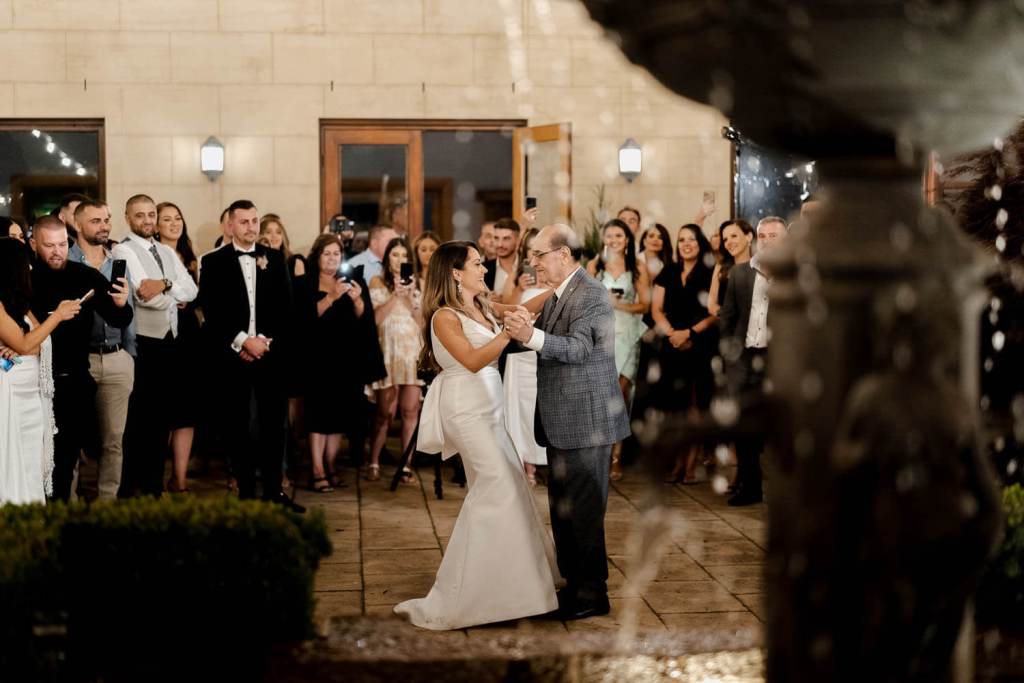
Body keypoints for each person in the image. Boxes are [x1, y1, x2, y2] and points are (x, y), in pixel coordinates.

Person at [394, 240, 560, 630]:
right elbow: (470, 360)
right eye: (475, 263)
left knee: (511, 485)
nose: (483, 267)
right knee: (495, 487)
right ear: (455, 273)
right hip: (465, 409)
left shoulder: (482, 305)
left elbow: (523, 309)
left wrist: (562, 285)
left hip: (491, 405)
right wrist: (508, 332)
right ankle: (471, 593)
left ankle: (512, 587)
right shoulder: (442, 317)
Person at [504, 223, 631, 620]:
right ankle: (574, 585)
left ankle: (593, 595)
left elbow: (577, 348)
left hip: (587, 419)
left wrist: (529, 337)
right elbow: (536, 335)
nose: (534, 263)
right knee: (563, 510)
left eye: (539, 256)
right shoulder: (561, 293)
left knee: (584, 513)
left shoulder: (591, 293)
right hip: (563, 419)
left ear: (562, 254)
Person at [198, 199, 303, 512]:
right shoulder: (213, 262)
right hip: (233, 357)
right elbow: (213, 311)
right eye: (244, 221)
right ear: (230, 225)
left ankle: (274, 490)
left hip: (270, 355)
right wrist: (243, 341)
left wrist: (264, 343)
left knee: (275, 424)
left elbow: (286, 308)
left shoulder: (273, 258)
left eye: (255, 221)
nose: (251, 227)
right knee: (238, 425)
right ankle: (245, 490)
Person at [30, 216, 132, 501]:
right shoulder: (26, 278)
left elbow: (118, 318)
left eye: (63, 244)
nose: (57, 251)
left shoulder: (84, 275)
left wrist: (122, 304)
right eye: (49, 245)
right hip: (33, 380)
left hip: (75, 379)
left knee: (67, 458)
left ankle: (64, 515)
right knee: (37, 458)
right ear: (34, 244)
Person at [113, 195, 198, 498]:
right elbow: (143, 293)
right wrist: (172, 292)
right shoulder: (122, 249)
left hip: (170, 343)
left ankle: (153, 485)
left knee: (163, 418)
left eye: (151, 215)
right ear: (128, 217)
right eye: (140, 215)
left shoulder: (165, 250)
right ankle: (132, 485)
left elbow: (192, 290)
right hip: (143, 344)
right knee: (140, 420)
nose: (147, 220)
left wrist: (165, 284)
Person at [298, 234, 382, 492]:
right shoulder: (305, 282)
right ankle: (317, 470)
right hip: (317, 359)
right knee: (318, 417)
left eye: (336, 253)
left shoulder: (353, 281)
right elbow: (303, 319)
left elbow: (364, 320)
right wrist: (332, 297)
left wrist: (357, 300)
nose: (332, 258)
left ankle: (331, 465)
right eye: (327, 253)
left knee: (338, 417)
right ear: (317, 256)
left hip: (346, 359)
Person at [0, 238, 81, 504]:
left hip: (31, 396)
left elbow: (39, 343)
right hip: (9, 393)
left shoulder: (20, 304)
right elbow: (27, 343)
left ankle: (31, 511)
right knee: (10, 458)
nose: (32, 268)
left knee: (32, 455)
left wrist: (23, 344)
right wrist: (56, 316)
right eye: (27, 263)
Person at [69, 200, 137, 500]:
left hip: (116, 356)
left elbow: (129, 310)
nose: (104, 226)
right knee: (71, 440)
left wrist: (129, 355)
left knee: (114, 440)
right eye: (96, 220)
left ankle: (106, 504)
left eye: (107, 220)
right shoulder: (66, 261)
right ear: (78, 224)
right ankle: (68, 502)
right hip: (78, 360)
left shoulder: (117, 263)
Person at [719, 216, 788, 506]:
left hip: (778, 360)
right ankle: (750, 486)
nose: (768, 240)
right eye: (764, 235)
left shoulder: (795, 273)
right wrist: (729, 355)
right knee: (743, 425)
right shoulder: (740, 273)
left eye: (775, 235)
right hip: (745, 357)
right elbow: (728, 317)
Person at [649, 224, 719, 484]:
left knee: (695, 405)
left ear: (700, 243)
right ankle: (677, 462)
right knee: (674, 405)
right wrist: (672, 333)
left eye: (691, 239)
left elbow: (715, 312)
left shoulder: (710, 271)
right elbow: (655, 308)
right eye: (681, 240)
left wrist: (689, 333)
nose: (686, 244)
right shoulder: (669, 271)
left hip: (700, 343)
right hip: (672, 344)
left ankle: (691, 465)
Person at [586, 219, 650, 481]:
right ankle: (598, 453)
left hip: (628, 336)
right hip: (602, 337)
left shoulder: (638, 267)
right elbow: (584, 300)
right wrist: (603, 301)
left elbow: (645, 305)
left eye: (619, 236)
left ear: (627, 240)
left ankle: (617, 456)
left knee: (622, 394)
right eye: (609, 235)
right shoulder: (594, 266)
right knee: (602, 397)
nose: (613, 240)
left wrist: (619, 304)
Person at [154, 201, 203, 494]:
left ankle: (180, 477)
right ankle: (156, 476)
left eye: (178, 218)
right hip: (161, 337)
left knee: (187, 410)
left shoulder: (191, 257)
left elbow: (198, 298)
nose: (174, 223)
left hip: (188, 337)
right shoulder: (151, 256)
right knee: (164, 411)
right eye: (167, 219)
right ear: (156, 226)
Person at [367, 238, 423, 483]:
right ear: (387, 258)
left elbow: (421, 323)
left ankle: (406, 464)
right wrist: (395, 296)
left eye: (404, 256)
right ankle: (374, 460)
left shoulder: (418, 283)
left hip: (411, 352)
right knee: (385, 413)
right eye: (395, 255)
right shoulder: (377, 282)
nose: (400, 260)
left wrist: (411, 298)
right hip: (388, 352)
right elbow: (375, 320)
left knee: (410, 410)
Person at [502, 227, 549, 485]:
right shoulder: (516, 277)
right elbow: (506, 309)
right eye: (531, 251)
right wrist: (519, 289)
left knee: (539, 407)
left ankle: (542, 460)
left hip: (541, 354)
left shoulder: (555, 281)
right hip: (519, 355)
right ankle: (525, 463)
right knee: (518, 409)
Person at [708, 220, 754, 317]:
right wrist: (729, 317)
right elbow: (711, 305)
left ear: (748, 237)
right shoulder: (720, 266)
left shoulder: (760, 266)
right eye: (725, 240)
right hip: (727, 327)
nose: (729, 242)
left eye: (734, 236)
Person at [483, 218, 520, 301]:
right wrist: (485, 301)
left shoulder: (528, 267)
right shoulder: (482, 269)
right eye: (496, 238)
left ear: (518, 240)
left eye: (506, 239)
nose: (500, 244)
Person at [260, 213, 306, 279]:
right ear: (260, 236)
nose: (274, 236)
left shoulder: (295, 263)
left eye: (278, 232)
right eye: (268, 232)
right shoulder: (252, 261)